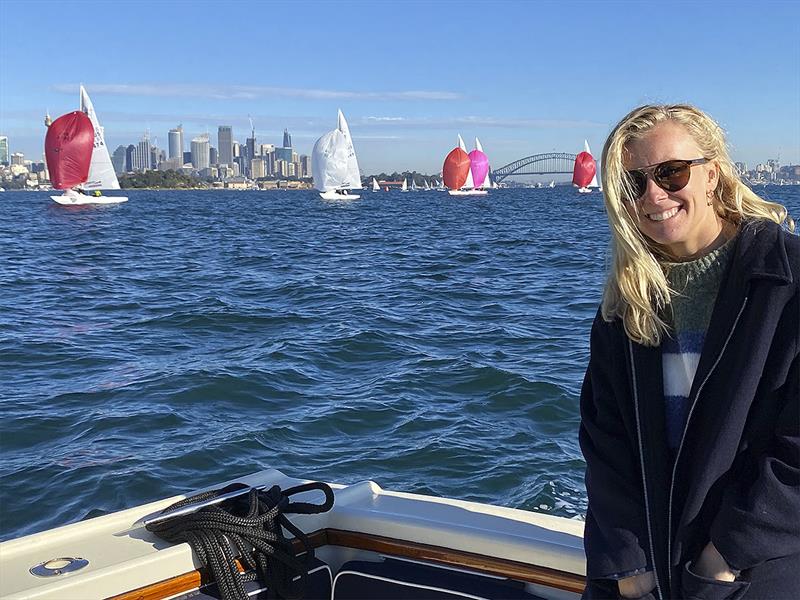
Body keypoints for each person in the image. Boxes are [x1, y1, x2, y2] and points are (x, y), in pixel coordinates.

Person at [579, 104, 799, 600]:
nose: (654, 195)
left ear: (712, 175)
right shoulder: (627, 301)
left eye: (671, 173)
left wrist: (724, 556)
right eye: (634, 184)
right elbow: (604, 437)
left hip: (754, 573)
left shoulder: (789, 282)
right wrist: (629, 566)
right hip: (642, 576)